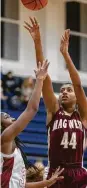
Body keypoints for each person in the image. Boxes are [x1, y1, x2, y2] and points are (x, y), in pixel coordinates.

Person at [24, 17, 87, 188]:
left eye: (69, 90)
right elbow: (44, 77)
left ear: (76, 97)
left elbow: (78, 85)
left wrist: (66, 55)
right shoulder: (54, 111)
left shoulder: (83, 116)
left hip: (78, 173)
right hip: (55, 172)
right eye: (63, 90)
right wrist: (37, 42)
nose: (64, 92)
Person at [1, 60, 64, 188]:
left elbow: (20, 184)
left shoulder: (12, 145)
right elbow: (32, 109)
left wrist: (45, 183)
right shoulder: (5, 137)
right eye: (6, 116)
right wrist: (40, 80)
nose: (12, 117)